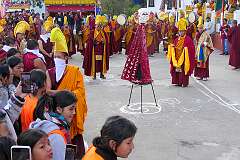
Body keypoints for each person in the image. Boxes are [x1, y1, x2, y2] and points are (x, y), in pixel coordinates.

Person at [47, 27, 87, 158]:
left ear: (65, 57)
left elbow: (80, 92)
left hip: (71, 113)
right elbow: (47, 91)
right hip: (56, 114)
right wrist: (64, 93)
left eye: (59, 57)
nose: (56, 59)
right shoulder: (49, 72)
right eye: (55, 56)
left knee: (76, 148)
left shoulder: (74, 71)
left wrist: (61, 93)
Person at [30, 90, 77, 160]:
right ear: (59, 109)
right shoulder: (56, 136)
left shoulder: (45, 124)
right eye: (71, 109)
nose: (74, 112)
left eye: (75, 109)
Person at [167, 16, 195, 87]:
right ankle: (177, 82)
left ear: (185, 31)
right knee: (176, 70)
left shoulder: (188, 39)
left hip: (184, 58)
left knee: (183, 70)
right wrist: (172, 47)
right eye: (180, 31)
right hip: (177, 57)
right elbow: (174, 45)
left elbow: (191, 49)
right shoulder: (177, 39)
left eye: (182, 31)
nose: (181, 32)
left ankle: (183, 82)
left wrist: (186, 49)